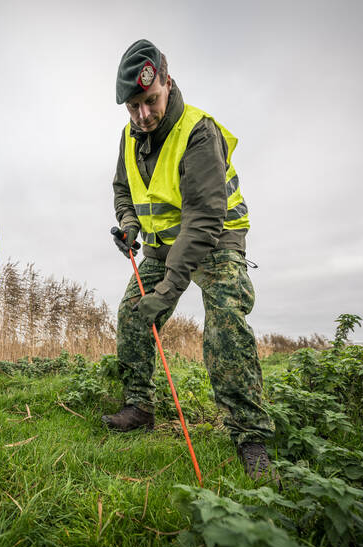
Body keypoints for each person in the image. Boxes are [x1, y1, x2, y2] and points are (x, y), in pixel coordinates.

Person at [103, 39, 276, 481]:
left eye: (151, 100)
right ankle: (139, 406)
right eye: (134, 107)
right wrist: (129, 225)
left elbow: (203, 219)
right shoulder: (129, 135)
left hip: (215, 238)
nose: (143, 115)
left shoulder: (199, 132)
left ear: (167, 80)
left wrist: (168, 289)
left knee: (225, 324)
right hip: (162, 244)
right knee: (131, 314)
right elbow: (124, 190)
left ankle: (250, 436)